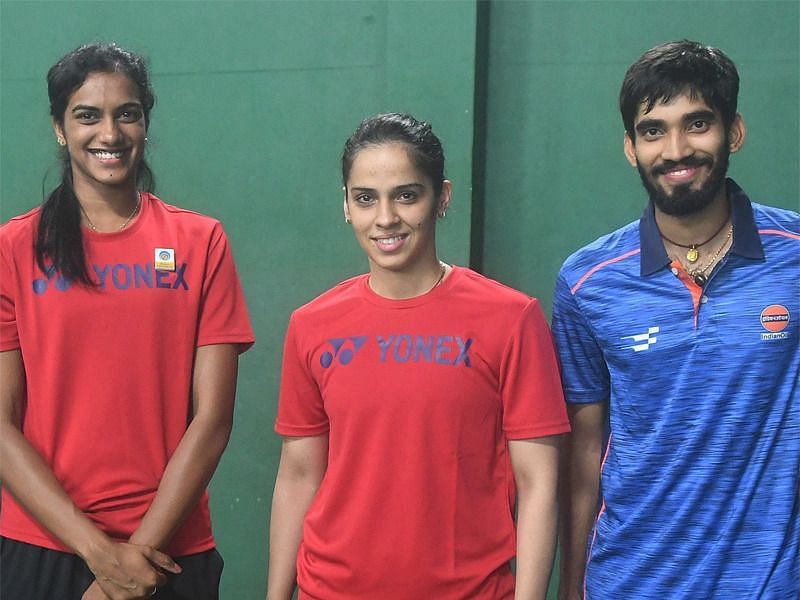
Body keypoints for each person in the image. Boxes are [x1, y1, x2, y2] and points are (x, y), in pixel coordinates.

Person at [267, 112, 570, 599]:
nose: (385, 218)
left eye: (406, 195)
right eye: (365, 198)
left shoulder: (512, 319)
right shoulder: (311, 325)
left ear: (442, 198)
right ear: (346, 205)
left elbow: (539, 483)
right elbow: (300, 475)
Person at [0, 43, 254, 600]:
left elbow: (212, 421)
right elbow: (2, 426)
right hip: (42, 548)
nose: (109, 134)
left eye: (127, 113)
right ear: (60, 129)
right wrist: (99, 556)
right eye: (87, 115)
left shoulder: (200, 242)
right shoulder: (15, 247)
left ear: (145, 121)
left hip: (167, 552)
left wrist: (135, 559)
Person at [553, 40, 799, 599]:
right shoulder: (586, 280)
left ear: (733, 132)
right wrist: (570, 588)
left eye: (697, 124)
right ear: (630, 147)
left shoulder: (795, 257)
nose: (677, 149)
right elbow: (585, 453)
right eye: (653, 130)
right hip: (626, 583)